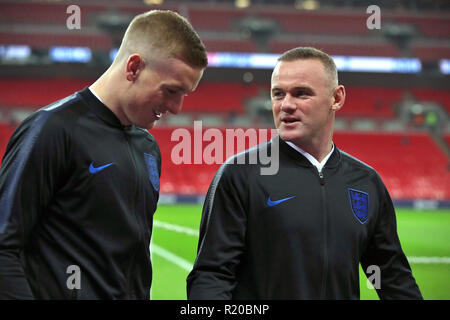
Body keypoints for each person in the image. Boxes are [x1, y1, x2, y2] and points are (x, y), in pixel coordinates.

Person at [0, 10, 207, 299]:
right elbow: (4, 246)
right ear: (133, 68)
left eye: (185, 94)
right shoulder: (52, 130)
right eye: (171, 91)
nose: (177, 107)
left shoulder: (147, 148)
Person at [186, 47, 422, 300]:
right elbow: (212, 277)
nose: (286, 105)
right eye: (278, 94)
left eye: (301, 94)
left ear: (337, 98)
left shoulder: (366, 182)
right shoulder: (240, 174)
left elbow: (392, 276)